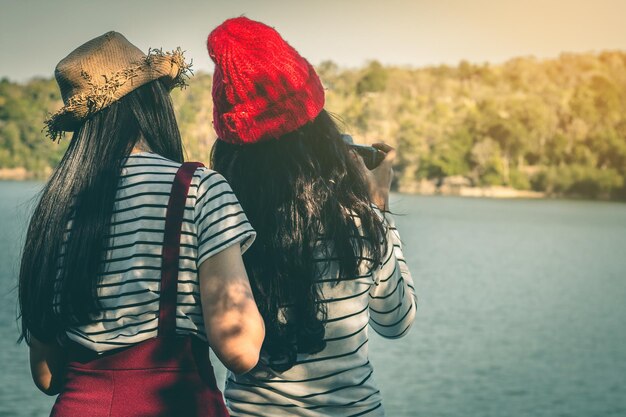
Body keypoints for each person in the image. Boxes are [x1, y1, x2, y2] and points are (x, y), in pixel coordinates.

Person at [18, 31, 265, 417]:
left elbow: (47, 376)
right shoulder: (197, 188)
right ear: (152, 102)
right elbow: (241, 350)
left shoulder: (53, 209)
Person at [206, 17, 418, 417]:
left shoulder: (223, 231)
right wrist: (379, 205)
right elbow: (397, 322)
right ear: (320, 132)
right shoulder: (358, 223)